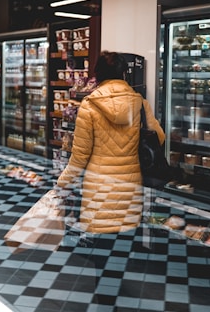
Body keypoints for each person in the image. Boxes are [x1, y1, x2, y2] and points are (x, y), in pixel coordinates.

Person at [57, 51, 165, 235]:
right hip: (130, 188)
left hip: (99, 191)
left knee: (100, 255)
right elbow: (159, 137)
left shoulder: (89, 105)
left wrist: (63, 182)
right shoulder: (139, 103)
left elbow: (80, 156)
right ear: (124, 74)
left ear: (98, 75)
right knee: (126, 252)